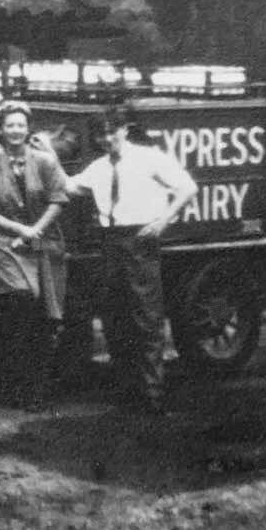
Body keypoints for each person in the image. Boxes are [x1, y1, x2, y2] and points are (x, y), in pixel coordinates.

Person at [65, 104, 198, 415]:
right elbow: (69, 187)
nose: (106, 138)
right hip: (110, 242)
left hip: (140, 240)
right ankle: (127, 392)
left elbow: (187, 187)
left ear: (125, 129)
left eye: (112, 131)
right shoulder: (98, 167)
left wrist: (162, 221)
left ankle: (152, 395)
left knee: (146, 317)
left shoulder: (149, 158)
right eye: (101, 134)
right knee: (115, 316)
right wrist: (43, 154)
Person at [0, 100, 69, 408]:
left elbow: (58, 200)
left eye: (20, 125)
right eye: (9, 125)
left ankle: (36, 391)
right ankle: (13, 382)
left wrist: (35, 231)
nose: (15, 131)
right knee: (22, 301)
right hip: (6, 245)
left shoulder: (44, 161)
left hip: (45, 244)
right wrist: (19, 231)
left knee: (46, 320)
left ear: (28, 129)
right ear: (0, 130)